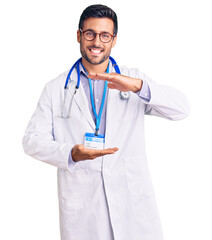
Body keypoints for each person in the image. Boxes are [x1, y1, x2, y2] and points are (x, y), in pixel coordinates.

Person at [22, 4, 190, 240]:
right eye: (90, 33)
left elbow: (181, 109)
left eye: (104, 35)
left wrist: (137, 87)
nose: (96, 42)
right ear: (79, 35)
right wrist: (71, 153)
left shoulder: (134, 81)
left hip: (132, 205)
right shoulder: (56, 89)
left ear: (114, 40)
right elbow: (31, 140)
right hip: (85, 210)